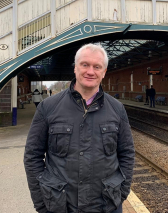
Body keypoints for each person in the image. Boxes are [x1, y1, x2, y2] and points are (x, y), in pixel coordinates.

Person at [24, 43, 135, 213]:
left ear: (104, 72)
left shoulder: (117, 109)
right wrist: (42, 203)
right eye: (85, 65)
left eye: (97, 66)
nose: (90, 71)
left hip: (106, 206)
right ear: (75, 68)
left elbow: (127, 153)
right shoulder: (48, 107)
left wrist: (121, 194)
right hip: (60, 206)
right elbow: (32, 156)